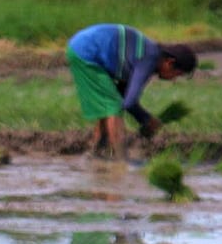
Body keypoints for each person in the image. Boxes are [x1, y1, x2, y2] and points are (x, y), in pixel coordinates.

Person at [66, 23, 197, 159]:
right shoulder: (149, 59)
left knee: (109, 104)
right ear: (169, 63)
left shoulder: (149, 56)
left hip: (84, 46)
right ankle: (120, 160)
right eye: (177, 74)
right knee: (112, 106)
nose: (174, 79)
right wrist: (147, 120)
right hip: (86, 51)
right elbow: (129, 103)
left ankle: (98, 150)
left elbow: (124, 94)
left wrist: (146, 122)